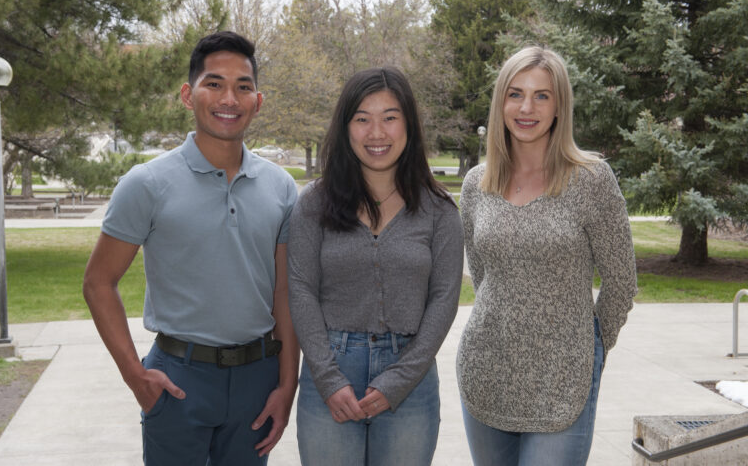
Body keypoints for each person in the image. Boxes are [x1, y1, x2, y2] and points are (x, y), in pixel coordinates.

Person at [82, 31, 299, 466]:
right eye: (214, 84)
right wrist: (136, 376)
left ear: (258, 101)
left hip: (257, 379)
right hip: (179, 378)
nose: (229, 99)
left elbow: (283, 293)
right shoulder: (147, 183)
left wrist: (286, 385)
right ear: (188, 95)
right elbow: (98, 283)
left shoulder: (281, 187)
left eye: (243, 87)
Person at [457, 46, 638, 465]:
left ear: (560, 106)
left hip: (564, 381)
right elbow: (482, 277)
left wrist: (592, 348)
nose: (527, 108)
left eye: (542, 95)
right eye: (515, 94)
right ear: (501, 102)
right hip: (487, 371)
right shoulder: (476, 185)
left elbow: (621, 282)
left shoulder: (591, 180)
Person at [288, 66, 464, 466]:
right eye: (362, 119)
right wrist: (329, 379)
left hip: (411, 375)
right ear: (345, 127)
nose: (377, 133)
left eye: (390, 117)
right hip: (330, 370)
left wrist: (400, 379)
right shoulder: (313, 203)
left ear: (409, 125)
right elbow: (300, 289)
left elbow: (444, 298)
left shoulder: (439, 209)